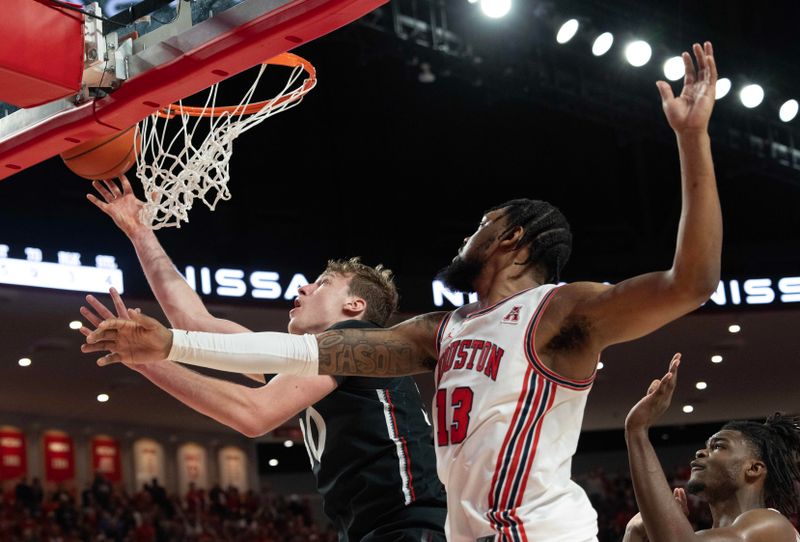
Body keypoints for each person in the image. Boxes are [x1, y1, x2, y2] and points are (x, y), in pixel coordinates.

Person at [84, 42, 722, 541]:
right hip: (460, 534)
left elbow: (690, 283)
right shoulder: (439, 331)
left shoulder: (562, 311)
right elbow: (297, 355)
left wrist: (692, 139)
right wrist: (164, 317)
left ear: (514, 238)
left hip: (529, 533)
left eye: (482, 224)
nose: (466, 234)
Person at [81, 176, 447, 540]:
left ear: (355, 305)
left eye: (322, 283)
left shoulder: (356, 340)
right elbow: (192, 321)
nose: (303, 286)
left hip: (409, 529)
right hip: (373, 530)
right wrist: (140, 232)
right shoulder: (313, 360)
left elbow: (254, 414)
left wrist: (149, 360)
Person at [623, 354, 800, 542]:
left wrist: (637, 431)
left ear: (754, 469)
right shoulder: (710, 536)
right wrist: (633, 533)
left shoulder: (771, 525)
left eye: (718, 446)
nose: (701, 452)